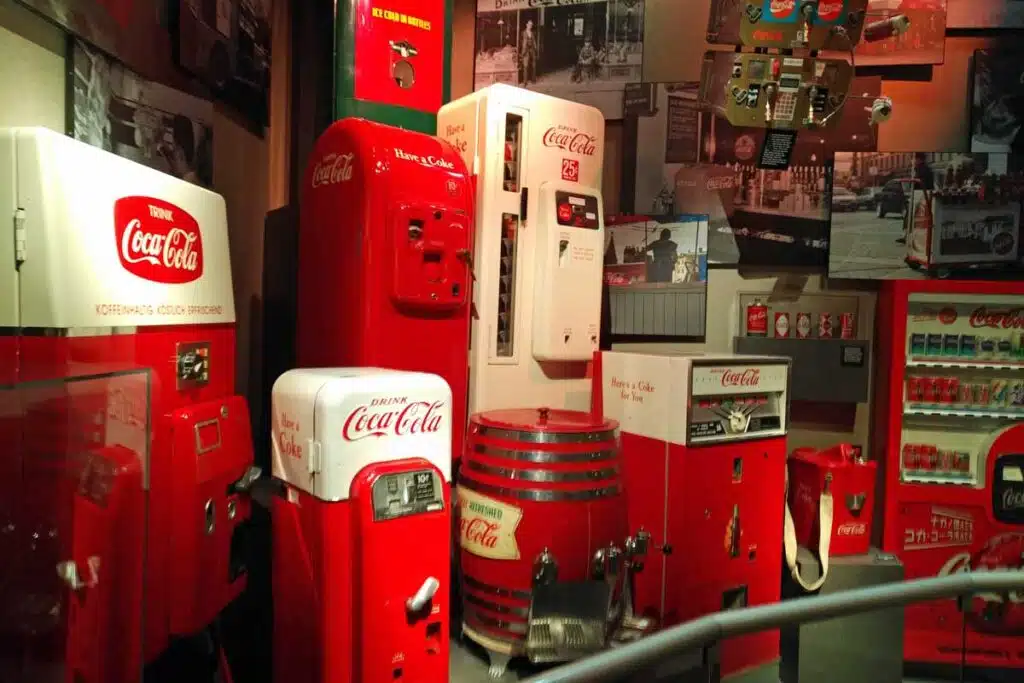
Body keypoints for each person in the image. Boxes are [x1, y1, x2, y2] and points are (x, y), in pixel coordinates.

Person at [519, 19, 538, 85]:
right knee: (525, 65)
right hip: (526, 51)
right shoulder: (524, 33)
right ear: (526, 25)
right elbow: (523, 43)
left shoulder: (532, 33)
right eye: (529, 24)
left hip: (532, 50)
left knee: (533, 65)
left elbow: (534, 42)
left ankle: (533, 80)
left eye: (531, 25)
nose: (530, 26)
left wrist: (535, 50)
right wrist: (522, 53)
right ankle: (525, 81)